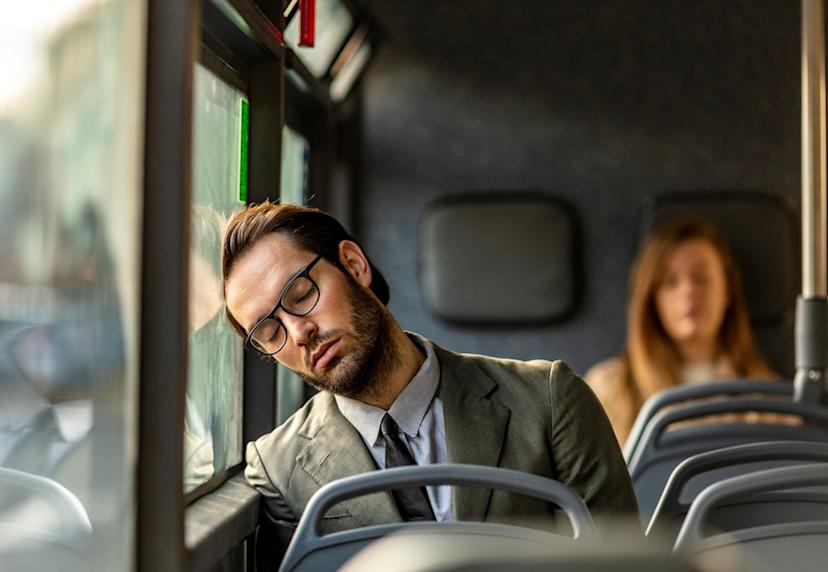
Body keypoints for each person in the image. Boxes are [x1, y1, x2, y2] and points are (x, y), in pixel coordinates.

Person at [222, 201, 637, 535]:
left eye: (300, 294)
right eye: (269, 330)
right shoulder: (280, 468)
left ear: (353, 265)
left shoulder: (547, 400)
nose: (298, 333)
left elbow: (623, 564)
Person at [585, 219, 776, 446]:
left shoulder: (768, 399)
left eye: (701, 278)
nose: (688, 292)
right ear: (652, 301)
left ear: (728, 292)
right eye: (670, 282)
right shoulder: (608, 390)